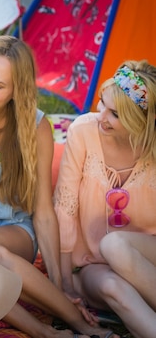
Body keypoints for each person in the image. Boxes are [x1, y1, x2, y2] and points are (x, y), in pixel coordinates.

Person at [0, 36, 116, 337]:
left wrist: (60, 283)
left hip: (9, 228)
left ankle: (72, 317)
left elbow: (43, 211)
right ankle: (44, 331)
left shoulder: (34, 127)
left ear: (14, 92)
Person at [54, 60, 156, 338]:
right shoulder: (83, 131)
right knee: (114, 287)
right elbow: (65, 207)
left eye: (115, 114)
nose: (101, 116)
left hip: (148, 255)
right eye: (102, 102)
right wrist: (64, 282)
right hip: (92, 263)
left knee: (116, 245)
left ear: (142, 121)